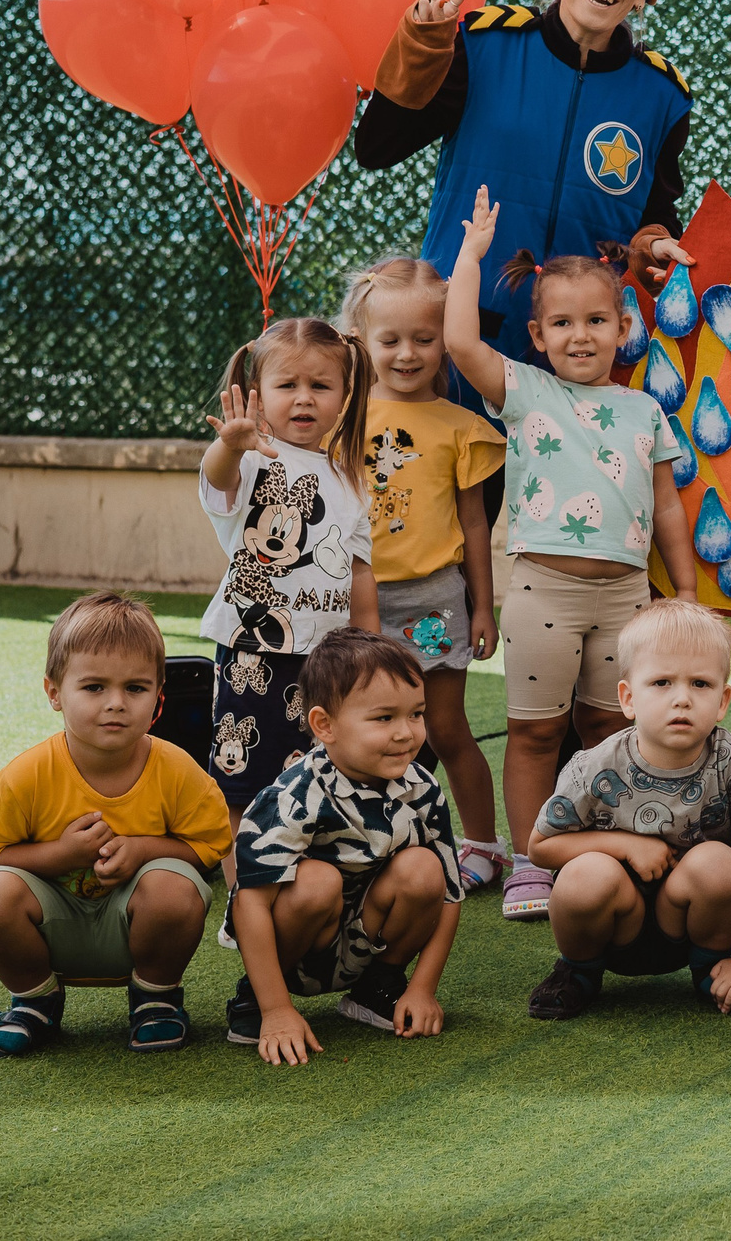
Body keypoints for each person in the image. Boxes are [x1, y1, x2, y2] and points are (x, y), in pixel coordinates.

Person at [445, 185, 699, 922]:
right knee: (534, 733)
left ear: (625, 327)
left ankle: (604, 847)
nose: (579, 335)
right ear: (538, 333)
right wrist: (471, 255)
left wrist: (684, 592)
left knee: (610, 732)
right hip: (543, 592)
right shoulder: (524, 391)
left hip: (625, 600)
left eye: (595, 320)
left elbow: (668, 507)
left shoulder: (645, 410)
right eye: (561, 322)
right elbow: (461, 344)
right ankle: (532, 861)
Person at [355, 0, 700, 422]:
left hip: (577, 360)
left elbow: (656, 219)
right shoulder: (480, 44)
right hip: (456, 338)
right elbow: (376, 147)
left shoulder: (664, 97)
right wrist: (423, 46)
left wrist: (651, 245)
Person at [0, 592, 230, 1057]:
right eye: (94, 687)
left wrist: (143, 850)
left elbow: (210, 845)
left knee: (176, 886)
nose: (116, 703)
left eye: (136, 688)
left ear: (159, 697)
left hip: (138, 925)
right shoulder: (24, 776)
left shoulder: (178, 770)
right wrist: (62, 855)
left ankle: (156, 999)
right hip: (51, 926)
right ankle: (35, 1002)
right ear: (54, 693)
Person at [523, 598, 731, 1021]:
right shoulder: (594, 767)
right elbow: (540, 848)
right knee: (587, 873)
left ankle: (712, 971)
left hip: (690, 923)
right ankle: (579, 972)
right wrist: (625, 845)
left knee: (721, 864)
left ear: (722, 701)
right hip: (609, 924)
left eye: (700, 684)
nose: (682, 699)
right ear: (628, 698)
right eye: (661, 682)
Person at [339, 257, 509, 893]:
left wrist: (484, 607)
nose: (407, 353)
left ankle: (484, 846)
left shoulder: (463, 428)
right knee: (359, 732)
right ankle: (366, 846)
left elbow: (475, 526)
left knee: (445, 728)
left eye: (424, 338)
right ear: (362, 341)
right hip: (355, 603)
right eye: (390, 340)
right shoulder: (337, 420)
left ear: (447, 341)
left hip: (436, 602)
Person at [224, 631, 466, 1065]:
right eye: (384, 718)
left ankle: (378, 988)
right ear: (325, 725)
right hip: (293, 947)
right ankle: (258, 999)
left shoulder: (423, 789)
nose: (405, 733)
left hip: (365, 936)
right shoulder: (294, 795)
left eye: (416, 714)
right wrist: (275, 1010)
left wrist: (423, 988)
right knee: (317, 881)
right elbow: (249, 904)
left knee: (424, 868)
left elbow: (449, 893)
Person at [198, 318, 378, 817]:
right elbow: (218, 478)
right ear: (258, 394)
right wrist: (229, 444)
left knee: (320, 779)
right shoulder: (251, 459)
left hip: (327, 659)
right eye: (287, 385)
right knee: (241, 781)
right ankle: (240, 871)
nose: (304, 398)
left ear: (344, 395)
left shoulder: (349, 479)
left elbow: (360, 572)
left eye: (320, 385)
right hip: (251, 651)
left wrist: (371, 650)